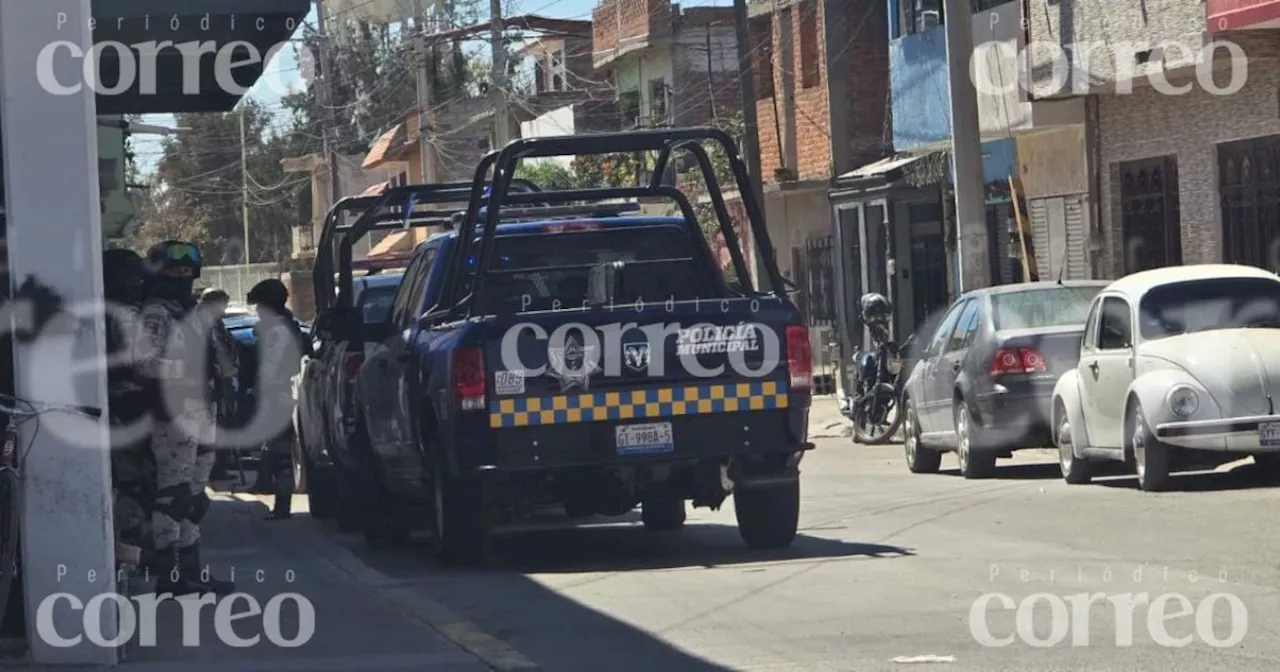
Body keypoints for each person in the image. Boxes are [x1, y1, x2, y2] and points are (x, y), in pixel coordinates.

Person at [133, 241, 233, 595]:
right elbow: (143, 363)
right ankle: (170, 576)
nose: (181, 276)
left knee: (193, 498)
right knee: (173, 496)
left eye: (187, 270)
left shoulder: (192, 311)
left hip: (204, 411)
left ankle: (191, 571)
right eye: (174, 270)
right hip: (173, 414)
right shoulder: (156, 313)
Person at [103, 249, 154, 566]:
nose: (136, 283)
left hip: (134, 406)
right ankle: (135, 552)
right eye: (130, 277)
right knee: (133, 482)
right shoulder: (117, 315)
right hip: (124, 406)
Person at [246, 279, 305, 520]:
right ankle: (278, 500)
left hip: (279, 397)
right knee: (278, 449)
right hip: (286, 395)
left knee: (280, 452)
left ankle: (282, 505)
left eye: (260, 306)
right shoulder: (288, 328)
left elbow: (269, 370)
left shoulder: (276, 333)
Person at [195, 288, 239, 481]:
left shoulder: (217, 323)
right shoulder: (202, 322)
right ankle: (213, 468)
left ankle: (218, 465)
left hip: (224, 380)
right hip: (209, 382)